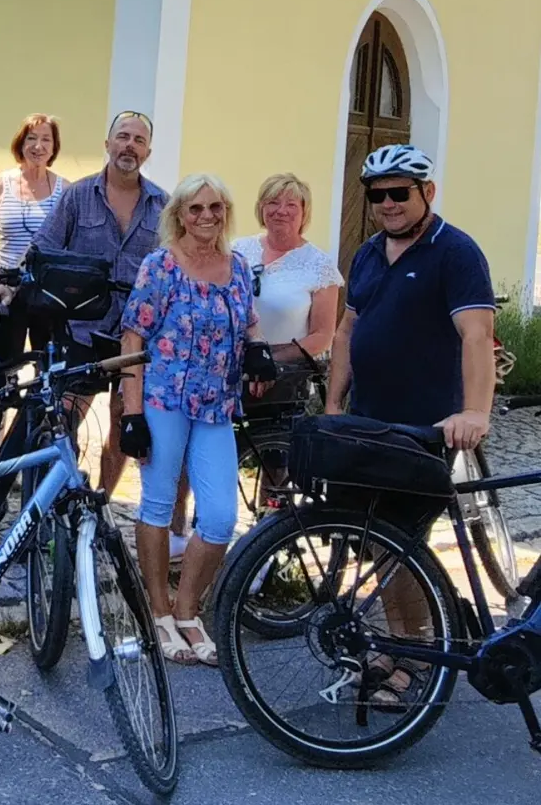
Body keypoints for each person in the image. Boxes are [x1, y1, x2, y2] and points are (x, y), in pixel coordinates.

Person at [326, 144, 495, 707]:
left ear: (427, 192)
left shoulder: (456, 251)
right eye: (378, 195)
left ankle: (412, 657)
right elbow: (348, 331)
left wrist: (475, 412)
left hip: (426, 425)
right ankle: (401, 648)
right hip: (369, 418)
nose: (389, 203)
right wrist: (332, 404)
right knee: (382, 543)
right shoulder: (369, 253)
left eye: (400, 192)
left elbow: (476, 337)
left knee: (402, 541)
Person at [117, 173, 276, 667]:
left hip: (216, 407)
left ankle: (188, 609)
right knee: (159, 505)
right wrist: (132, 412)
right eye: (196, 209)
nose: (207, 216)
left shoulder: (237, 265)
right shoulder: (160, 265)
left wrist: (256, 354)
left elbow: (247, 323)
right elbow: (132, 339)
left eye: (216, 208)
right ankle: (159, 612)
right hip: (164, 401)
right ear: (179, 215)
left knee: (221, 516)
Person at [32, 111, 169, 497]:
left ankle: (102, 500)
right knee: (67, 415)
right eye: (123, 137)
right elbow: (44, 248)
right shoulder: (78, 195)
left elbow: (177, 265)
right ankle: (54, 499)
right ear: (107, 144)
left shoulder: (163, 204)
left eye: (138, 140)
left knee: (123, 418)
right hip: (83, 330)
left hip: (137, 338)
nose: (130, 146)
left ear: (148, 151)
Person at [230, 173, 342, 364]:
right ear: (261, 208)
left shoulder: (321, 266)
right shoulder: (237, 250)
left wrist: (268, 362)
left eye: (291, 205)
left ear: (304, 212)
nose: (281, 211)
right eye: (273, 202)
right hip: (230, 367)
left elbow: (322, 337)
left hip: (284, 377)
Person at [0, 113, 67, 358]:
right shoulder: (0, 184)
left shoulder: (65, 191)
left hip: (45, 289)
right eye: (31, 138)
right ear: (21, 143)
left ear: (54, 148)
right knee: (3, 362)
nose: (38, 146)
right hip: (4, 287)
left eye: (46, 140)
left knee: (46, 363)